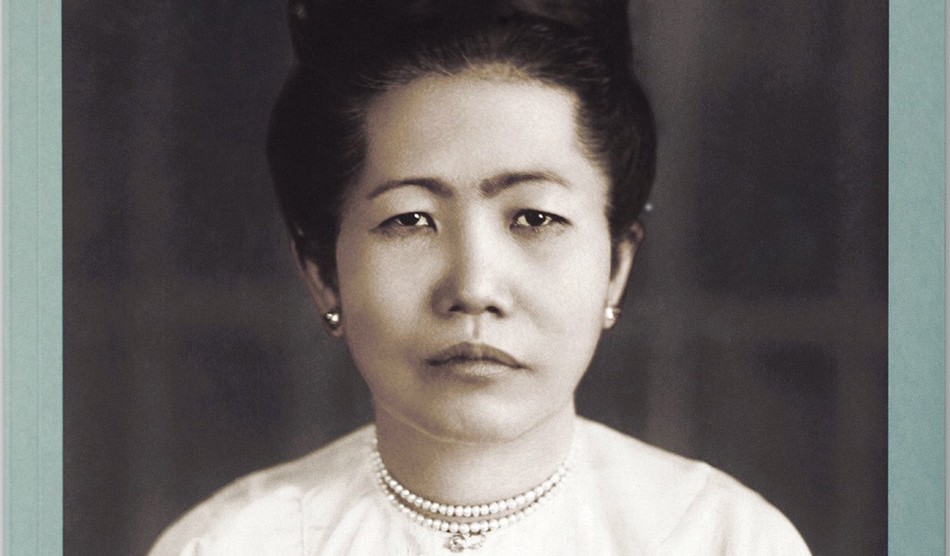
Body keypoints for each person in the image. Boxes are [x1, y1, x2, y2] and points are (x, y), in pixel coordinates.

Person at [150, 0, 811, 553]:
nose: (473, 286)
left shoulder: (721, 539)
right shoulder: (231, 543)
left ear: (615, 266)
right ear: (322, 271)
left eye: (534, 218)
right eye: (409, 220)